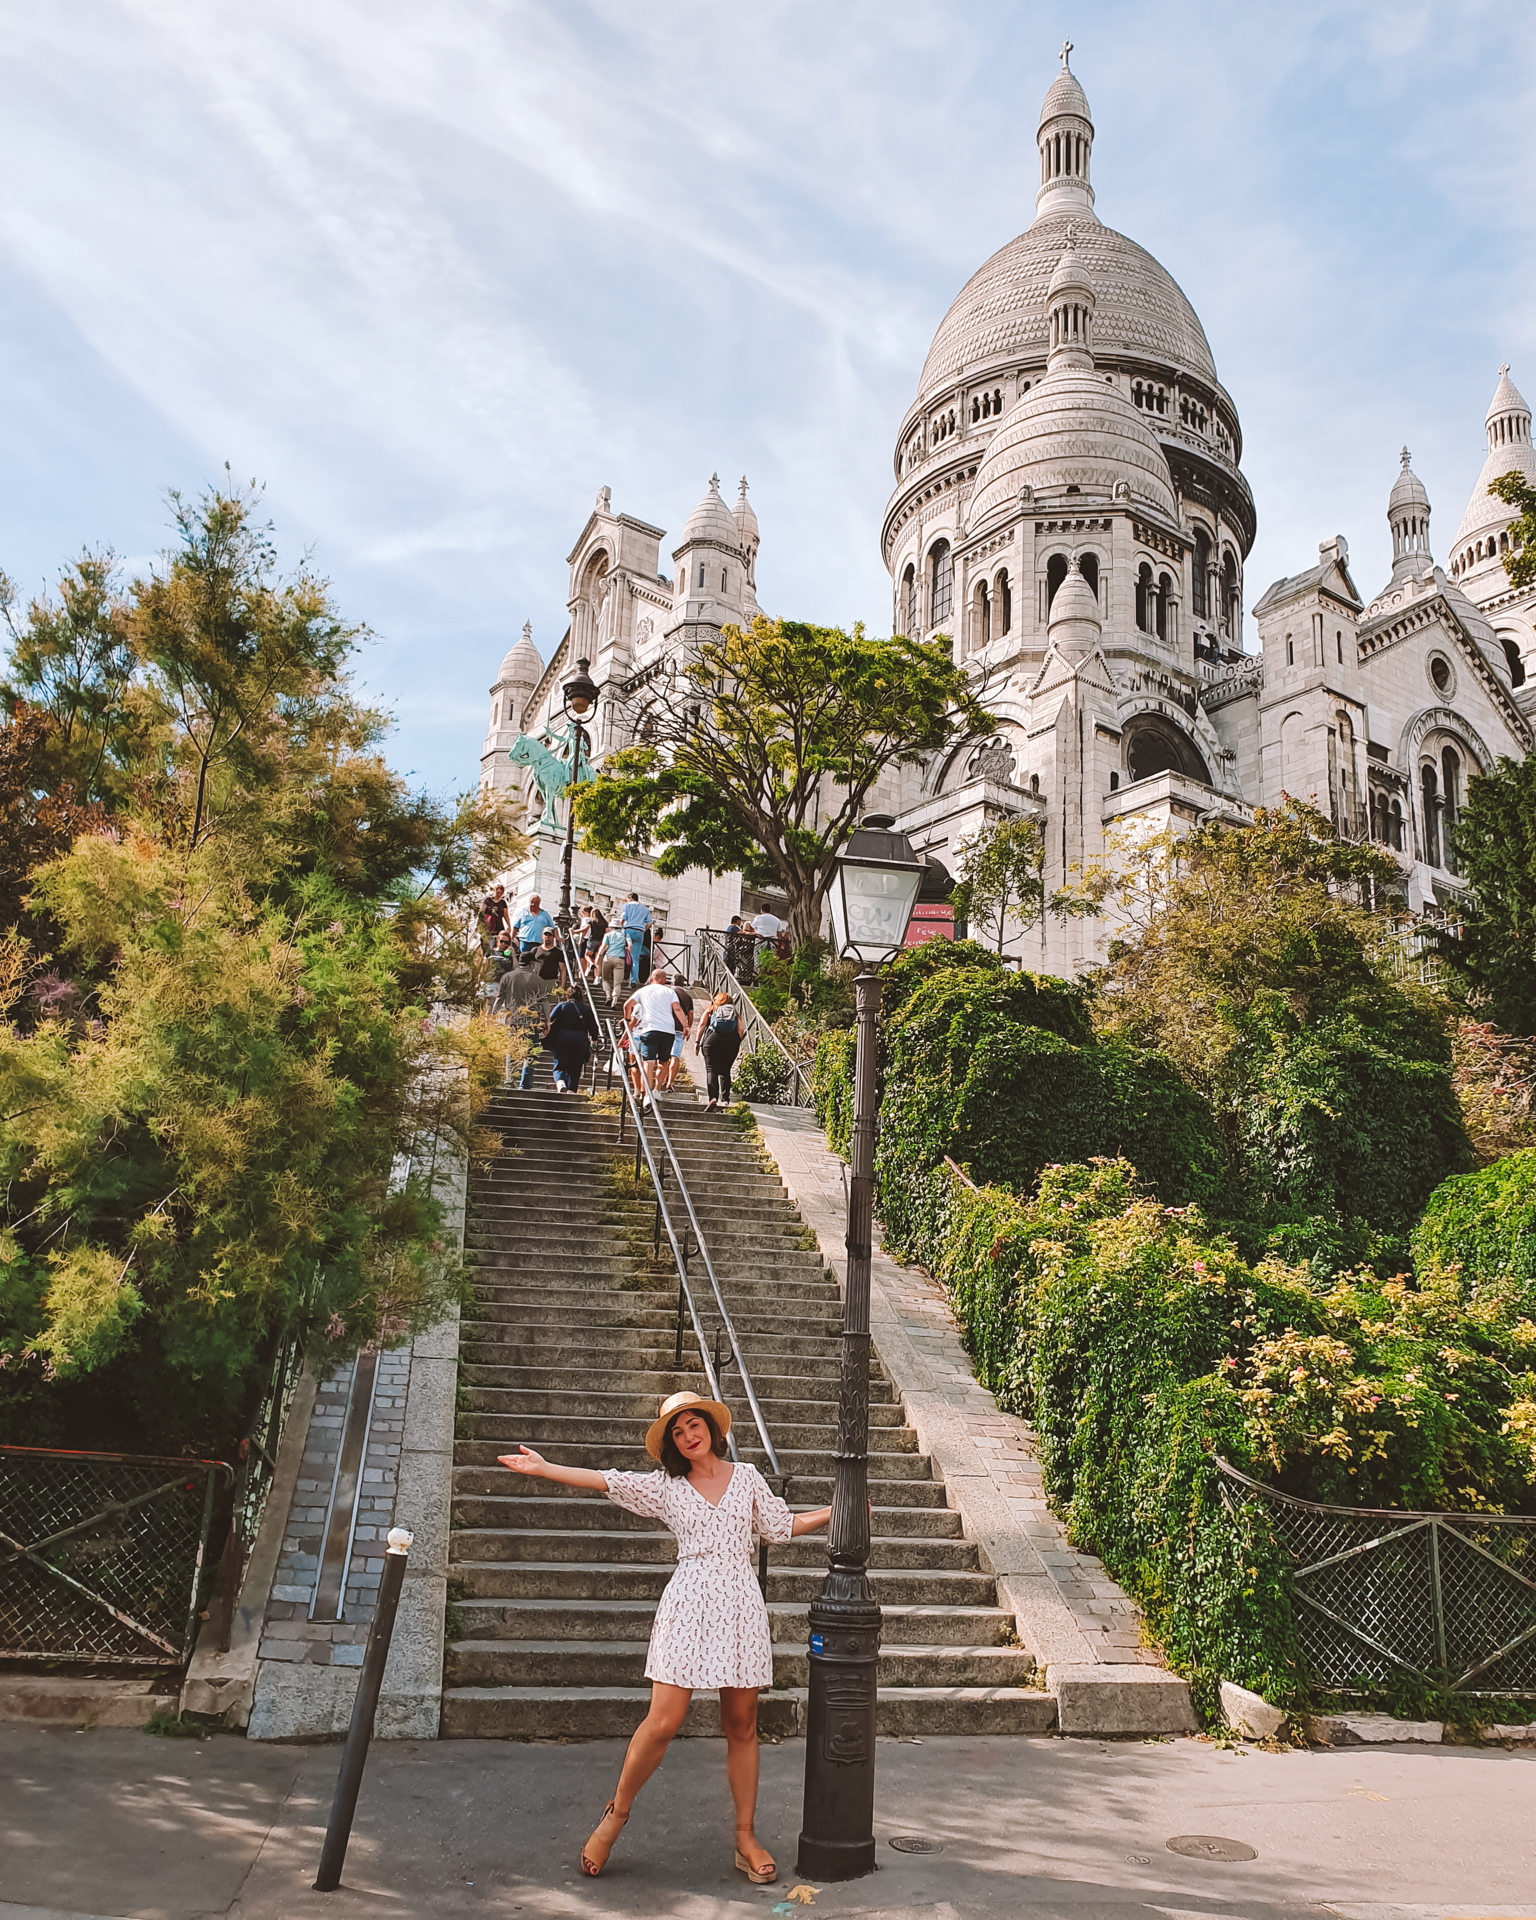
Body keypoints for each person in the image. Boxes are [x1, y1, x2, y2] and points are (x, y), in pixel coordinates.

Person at [497, 1390, 831, 1882]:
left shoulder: (748, 1478)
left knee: (741, 1725)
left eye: (694, 1424)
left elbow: (780, 1528)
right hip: (688, 1605)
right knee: (662, 1721)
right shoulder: (666, 1487)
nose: (688, 1435)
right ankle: (616, 1815)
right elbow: (607, 1481)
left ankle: (744, 1836)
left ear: (713, 1430)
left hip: (740, 1606)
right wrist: (546, 1468)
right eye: (677, 1431)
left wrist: (834, 1511)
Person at [624, 969, 688, 1105]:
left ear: (651, 979)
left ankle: (647, 1094)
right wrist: (686, 1026)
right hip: (668, 1031)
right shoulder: (670, 992)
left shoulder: (643, 991)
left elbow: (627, 1005)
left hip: (649, 1030)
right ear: (664, 981)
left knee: (648, 1062)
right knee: (664, 1062)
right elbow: (677, 1009)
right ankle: (657, 1090)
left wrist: (627, 1018)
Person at [544, 983, 600, 1093]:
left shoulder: (561, 1006)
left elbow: (549, 1020)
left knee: (560, 1063)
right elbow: (593, 1027)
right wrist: (594, 1038)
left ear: (568, 995)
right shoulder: (586, 1009)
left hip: (562, 1037)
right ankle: (572, 1090)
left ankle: (560, 1082)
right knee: (576, 1066)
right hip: (580, 1040)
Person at [697, 991, 745, 1109]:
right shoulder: (734, 1013)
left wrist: (697, 1042)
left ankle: (713, 1098)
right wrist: (736, 1041)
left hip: (712, 1040)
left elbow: (702, 1025)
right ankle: (725, 1100)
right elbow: (741, 1030)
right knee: (725, 1071)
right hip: (731, 1042)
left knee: (711, 1069)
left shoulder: (711, 1010)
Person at [660, 977, 693, 1092]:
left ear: (672, 983)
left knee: (663, 1056)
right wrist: (687, 1027)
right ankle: (670, 1083)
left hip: (665, 1027)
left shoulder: (667, 992)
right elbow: (690, 1015)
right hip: (679, 1029)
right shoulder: (687, 997)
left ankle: (658, 1081)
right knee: (675, 1056)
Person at [620, 891, 652, 986]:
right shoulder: (645, 909)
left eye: (626, 898)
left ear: (630, 898)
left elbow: (622, 919)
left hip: (628, 931)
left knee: (622, 954)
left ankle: (622, 977)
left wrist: (622, 928)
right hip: (639, 932)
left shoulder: (627, 906)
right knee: (635, 957)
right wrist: (644, 929)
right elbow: (649, 923)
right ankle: (633, 980)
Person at [597, 920, 629, 1006]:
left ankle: (608, 996)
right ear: (620, 927)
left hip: (608, 958)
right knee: (617, 982)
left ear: (611, 927)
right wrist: (628, 954)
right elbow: (631, 945)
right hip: (620, 959)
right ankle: (614, 1002)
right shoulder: (625, 935)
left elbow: (603, 946)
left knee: (605, 979)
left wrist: (598, 956)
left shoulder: (608, 935)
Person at [582, 902, 609, 980]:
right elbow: (607, 932)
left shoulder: (592, 921)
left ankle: (591, 963)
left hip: (592, 940)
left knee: (587, 955)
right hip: (601, 942)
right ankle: (597, 978)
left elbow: (585, 929)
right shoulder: (605, 923)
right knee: (598, 961)